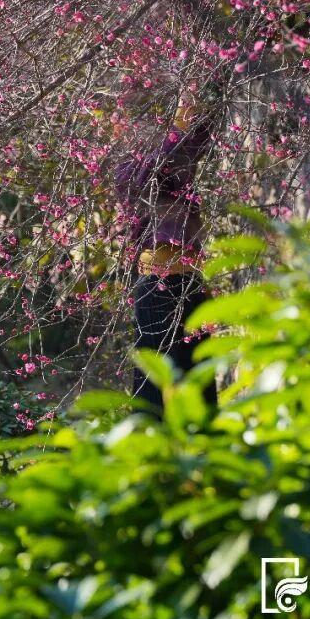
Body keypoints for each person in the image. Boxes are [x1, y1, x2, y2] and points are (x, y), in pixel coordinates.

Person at [116, 91, 220, 418]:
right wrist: (180, 117)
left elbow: (193, 145)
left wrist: (195, 104)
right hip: (156, 285)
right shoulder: (130, 171)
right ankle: (149, 452)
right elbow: (164, 160)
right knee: (152, 383)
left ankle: (207, 450)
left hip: (189, 282)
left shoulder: (179, 178)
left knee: (200, 374)